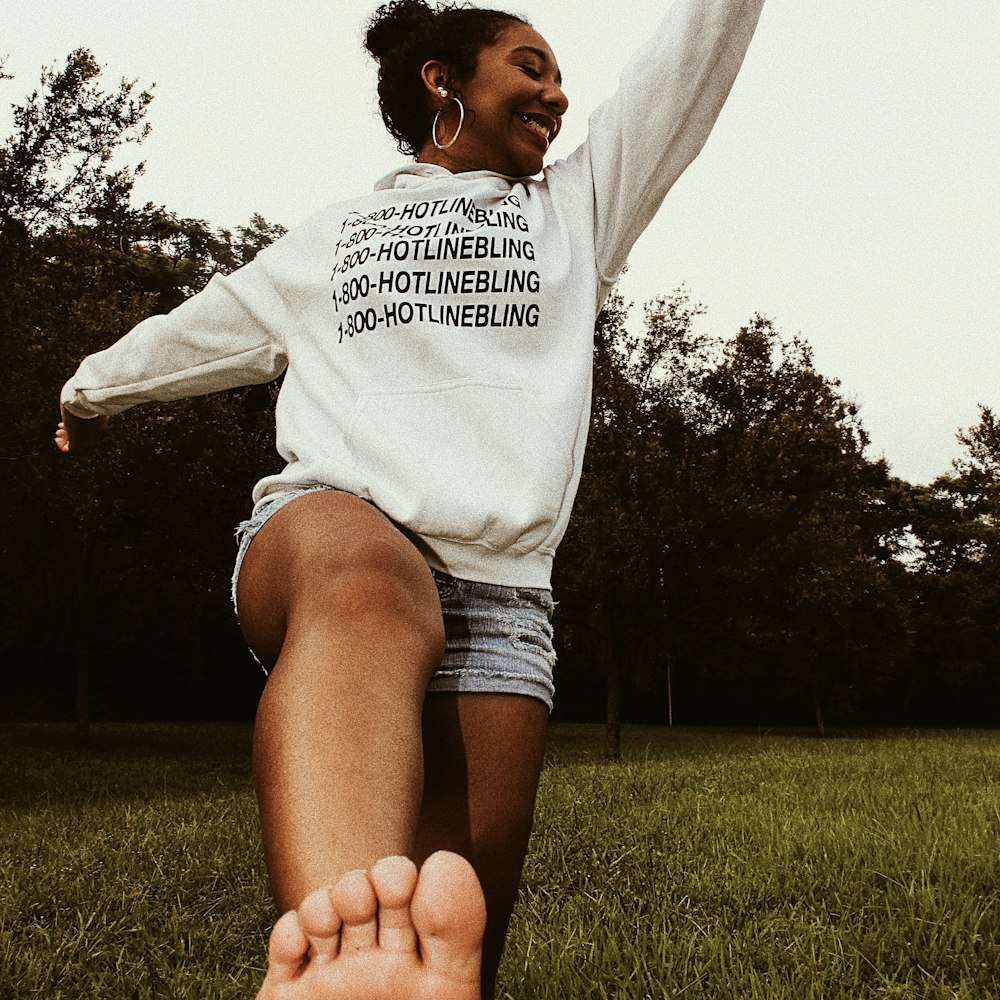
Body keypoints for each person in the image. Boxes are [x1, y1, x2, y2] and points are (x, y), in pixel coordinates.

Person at [56, 0, 765, 996]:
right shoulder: (332, 237)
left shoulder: (575, 210)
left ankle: (394, 973)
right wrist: (89, 389)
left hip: (497, 606)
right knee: (372, 583)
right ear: (443, 81)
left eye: (560, 77)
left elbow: (682, 64)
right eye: (529, 66)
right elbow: (202, 327)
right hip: (331, 537)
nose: (556, 93)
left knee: (448, 933)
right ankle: (335, 964)